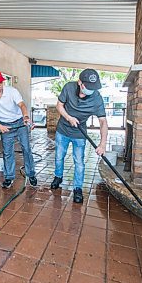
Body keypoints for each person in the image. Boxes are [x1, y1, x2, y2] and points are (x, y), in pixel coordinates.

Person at [50, 68, 108, 204]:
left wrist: (103, 144)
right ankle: (58, 177)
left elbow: (103, 121)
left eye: (93, 87)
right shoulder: (69, 88)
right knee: (59, 157)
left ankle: (78, 188)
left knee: (79, 162)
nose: (91, 90)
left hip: (80, 133)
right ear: (80, 83)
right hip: (63, 130)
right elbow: (59, 105)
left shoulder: (96, 98)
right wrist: (69, 117)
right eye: (88, 87)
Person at [0, 70, 37, 188]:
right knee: (7, 153)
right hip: (5, 126)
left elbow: (22, 105)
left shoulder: (12, 91)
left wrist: (26, 117)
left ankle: (31, 174)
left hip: (20, 123)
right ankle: (9, 177)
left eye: (1, 82)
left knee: (26, 149)